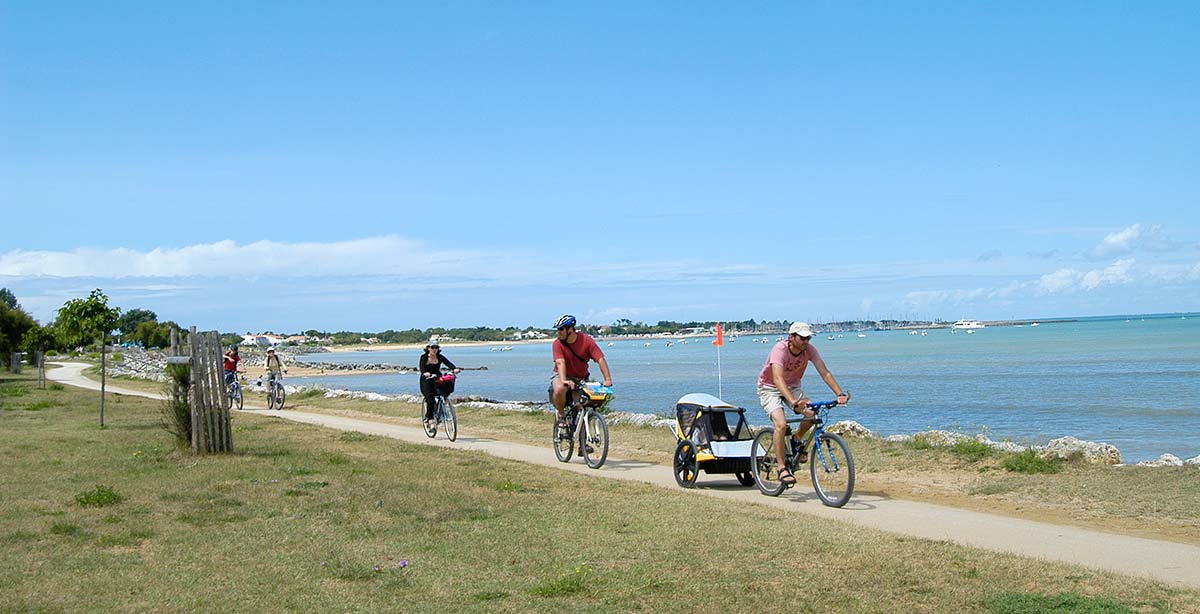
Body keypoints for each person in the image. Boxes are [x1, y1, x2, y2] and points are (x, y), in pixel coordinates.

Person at [757, 322, 849, 485]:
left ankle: (796, 438)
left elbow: (824, 372)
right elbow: (777, 378)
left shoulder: (810, 350)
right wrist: (793, 403)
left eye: (808, 337)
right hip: (770, 388)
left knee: (812, 413)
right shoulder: (780, 349)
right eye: (803, 338)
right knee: (781, 424)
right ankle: (781, 467)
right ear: (791, 338)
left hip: (792, 387)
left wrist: (839, 393)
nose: (806, 341)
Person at [549, 314, 613, 427]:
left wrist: (607, 379)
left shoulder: (586, 341)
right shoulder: (557, 344)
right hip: (561, 375)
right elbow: (560, 362)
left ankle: (582, 442)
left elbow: (600, 359)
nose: (558, 332)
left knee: (583, 408)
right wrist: (564, 380)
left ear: (570, 329)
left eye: (561, 329)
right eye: (558, 329)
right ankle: (561, 414)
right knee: (559, 389)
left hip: (580, 378)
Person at [419, 342, 460, 429]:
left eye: (436, 347)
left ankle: (440, 413)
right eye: (432, 347)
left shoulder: (440, 357)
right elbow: (422, 368)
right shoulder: (424, 357)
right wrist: (425, 373)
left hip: (437, 378)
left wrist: (454, 368)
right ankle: (430, 419)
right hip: (427, 380)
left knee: (444, 394)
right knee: (430, 399)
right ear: (428, 348)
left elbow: (448, 363)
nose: (434, 349)